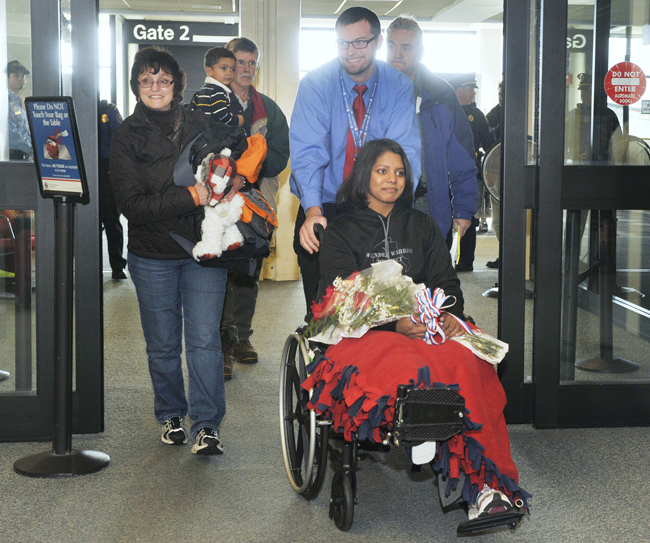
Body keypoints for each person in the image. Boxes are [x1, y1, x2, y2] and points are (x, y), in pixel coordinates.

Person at [311, 139, 529, 524]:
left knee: (468, 359)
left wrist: (446, 315)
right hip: (366, 332)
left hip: (429, 326)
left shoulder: (422, 224)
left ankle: (485, 488)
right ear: (364, 175)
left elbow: (449, 283)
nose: (392, 180)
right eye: (382, 171)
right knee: (407, 362)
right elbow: (341, 300)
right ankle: (427, 432)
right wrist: (395, 324)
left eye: (399, 173)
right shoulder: (341, 230)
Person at [110, 46, 244, 456]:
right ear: (136, 86)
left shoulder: (201, 122)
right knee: (163, 343)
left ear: (176, 85)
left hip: (204, 249)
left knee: (204, 340)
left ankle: (207, 425)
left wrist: (233, 179)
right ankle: (170, 413)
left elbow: (235, 155)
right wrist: (191, 195)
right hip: (152, 255)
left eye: (163, 80)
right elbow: (132, 206)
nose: (155, 87)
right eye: (147, 80)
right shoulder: (126, 136)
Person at [290, 6, 421, 312]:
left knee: (378, 304)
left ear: (378, 42)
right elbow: (308, 151)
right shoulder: (316, 83)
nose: (350, 52)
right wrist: (312, 211)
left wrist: (389, 210)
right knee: (324, 305)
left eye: (360, 42)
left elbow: (403, 152)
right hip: (324, 205)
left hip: (376, 205)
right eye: (342, 43)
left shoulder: (399, 86)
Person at [203, 37, 290, 377]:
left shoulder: (268, 109)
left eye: (252, 63)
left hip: (255, 200)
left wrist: (246, 175)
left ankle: (242, 337)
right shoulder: (208, 104)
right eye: (239, 62)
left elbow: (280, 155)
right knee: (219, 268)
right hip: (216, 200)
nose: (246, 69)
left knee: (248, 270)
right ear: (226, 64)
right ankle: (222, 341)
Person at [385, 16, 477, 246]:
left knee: (429, 280)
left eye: (406, 47)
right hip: (381, 210)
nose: (397, 53)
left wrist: (463, 209)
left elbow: (462, 158)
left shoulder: (442, 96)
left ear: (420, 52)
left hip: (429, 210)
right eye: (391, 46)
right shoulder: (369, 92)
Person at [450, 73, 495, 272]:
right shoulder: (446, 110)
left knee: (466, 214)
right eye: (470, 89)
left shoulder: (476, 115)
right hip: (445, 171)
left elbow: (490, 144)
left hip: (468, 171)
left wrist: (490, 169)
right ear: (459, 90)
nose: (473, 93)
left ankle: (464, 260)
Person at [98, 100, 127, 280]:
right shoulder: (75, 107)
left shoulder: (107, 110)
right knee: (86, 222)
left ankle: (117, 266)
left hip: (106, 169)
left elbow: (121, 138)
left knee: (111, 220)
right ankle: (87, 267)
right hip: (85, 171)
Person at [190, 47, 244, 128]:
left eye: (233, 69)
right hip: (216, 136)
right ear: (209, 71)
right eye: (224, 68)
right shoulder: (217, 91)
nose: (229, 73)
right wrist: (238, 120)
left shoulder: (202, 91)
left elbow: (191, 114)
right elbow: (223, 116)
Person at [485, 82, 502, 268]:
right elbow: (488, 144)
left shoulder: (523, 110)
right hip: (496, 172)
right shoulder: (492, 115)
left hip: (518, 171)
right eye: (499, 93)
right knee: (497, 219)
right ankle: (503, 252)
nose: (501, 96)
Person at [7, 60, 33, 161]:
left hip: (22, 156)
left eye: (23, 76)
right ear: (6, 78)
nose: (21, 79)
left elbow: (24, 130)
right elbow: (11, 132)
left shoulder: (17, 102)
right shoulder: (4, 102)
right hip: (12, 158)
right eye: (16, 76)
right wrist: (32, 148)